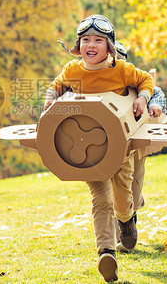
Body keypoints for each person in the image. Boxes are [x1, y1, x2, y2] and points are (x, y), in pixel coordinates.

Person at [44, 15, 154, 282]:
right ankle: (106, 252)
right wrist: (49, 101)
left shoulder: (120, 70)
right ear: (78, 45)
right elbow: (56, 86)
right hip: (88, 149)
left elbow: (146, 82)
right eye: (85, 40)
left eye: (98, 40)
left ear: (109, 46)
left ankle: (127, 220)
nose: (90, 45)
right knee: (100, 198)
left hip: (121, 144)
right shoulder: (72, 70)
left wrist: (142, 97)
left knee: (121, 198)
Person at [112, 42, 167, 253]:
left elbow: (157, 92)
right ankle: (117, 235)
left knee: (133, 189)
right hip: (108, 147)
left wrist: (154, 104)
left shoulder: (134, 80)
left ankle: (131, 216)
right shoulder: (95, 83)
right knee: (110, 193)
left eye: (119, 60)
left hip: (135, 145)